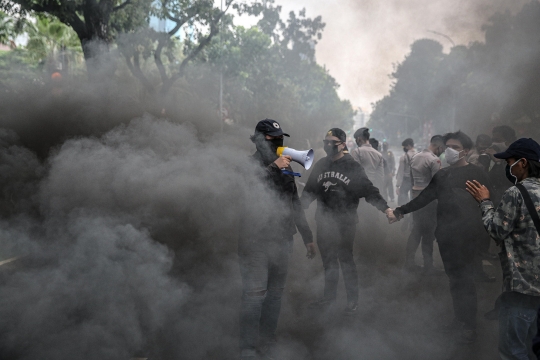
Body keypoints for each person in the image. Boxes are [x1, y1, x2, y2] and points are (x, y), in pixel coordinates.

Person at [393, 131, 492, 344]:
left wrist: (485, 237)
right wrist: (401, 210)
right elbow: (425, 198)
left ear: (466, 150)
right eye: (447, 146)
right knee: (455, 281)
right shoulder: (443, 175)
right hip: (446, 237)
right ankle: (459, 319)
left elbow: (488, 205)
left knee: (466, 282)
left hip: (468, 238)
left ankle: (469, 326)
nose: (449, 150)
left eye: (455, 147)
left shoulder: (478, 174)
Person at [239, 119, 316, 360]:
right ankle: (248, 348)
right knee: (255, 296)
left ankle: (267, 342)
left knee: (274, 295)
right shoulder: (248, 166)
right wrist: (274, 166)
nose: (279, 142)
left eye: (281, 137)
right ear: (260, 139)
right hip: (256, 240)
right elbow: (247, 192)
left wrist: (307, 237)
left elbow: (294, 203)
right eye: (274, 138)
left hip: (283, 239)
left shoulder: (284, 167)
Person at [301, 128, 396, 315]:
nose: (328, 145)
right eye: (326, 141)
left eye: (332, 142)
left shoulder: (352, 166)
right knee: (328, 262)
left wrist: (386, 209)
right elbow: (310, 191)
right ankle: (329, 299)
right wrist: (296, 205)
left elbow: (369, 190)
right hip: (324, 222)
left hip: (345, 223)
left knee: (345, 260)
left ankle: (352, 302)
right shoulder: (321, 165)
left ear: (343, 144)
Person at [465, 138, 540, 360]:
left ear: (523, 163)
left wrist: (484, 202)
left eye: (510, 161)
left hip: (522, 289)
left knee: (513, 350)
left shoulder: (516, 193)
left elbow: (497, 230)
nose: (508, 166)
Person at [403, 135, 444, 274]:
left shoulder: (415, 157)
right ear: (439, 146)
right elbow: (437, 183)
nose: (442, 152)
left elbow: (412, 181)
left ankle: (409, 262)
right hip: (429, 200)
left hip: (416, 197)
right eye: (442, 149)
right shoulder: (434, 160)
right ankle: (428, 265)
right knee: (428, 232)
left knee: (416, 231)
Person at [396, 138, 417, 206]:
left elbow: (401, 172)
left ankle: (404, 211)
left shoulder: (404, 157)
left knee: (402, 195)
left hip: (406, 179)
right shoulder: (419, 155)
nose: (404, 148)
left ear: (408, 146)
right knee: (413, 197)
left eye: (404, 147)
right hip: (416, 180)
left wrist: (398, 185)